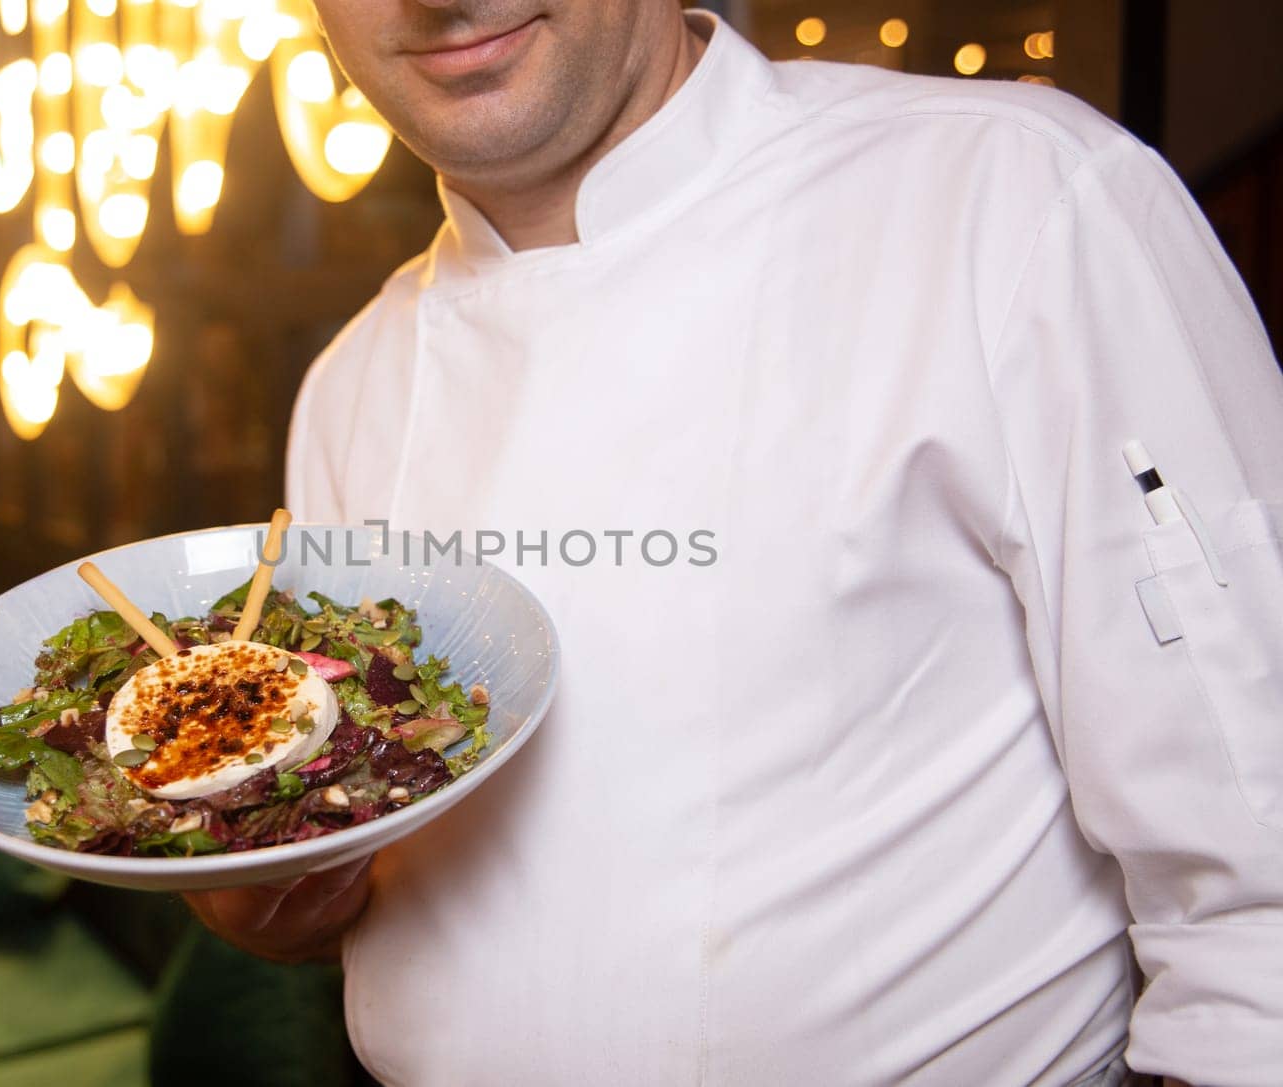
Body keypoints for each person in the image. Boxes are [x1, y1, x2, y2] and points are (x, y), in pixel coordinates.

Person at [185, 2, 1283, 1083]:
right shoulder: (350, 384)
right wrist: (288, 895)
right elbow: (402, 898)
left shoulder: (1012, 195)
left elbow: (1258, 871)